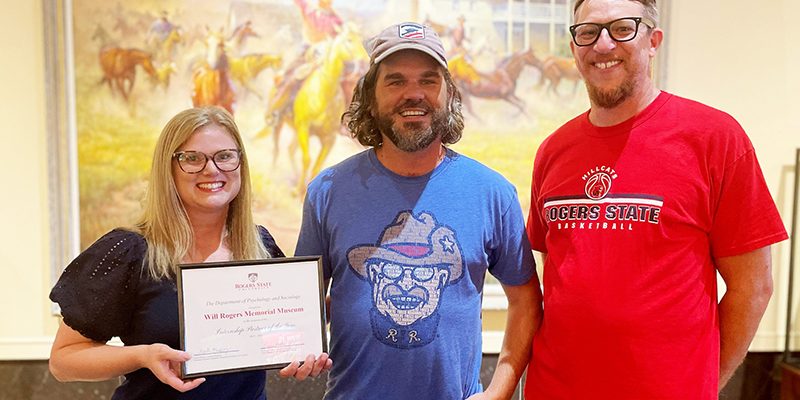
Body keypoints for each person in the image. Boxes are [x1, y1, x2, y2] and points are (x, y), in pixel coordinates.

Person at [524, 0, 789, 398]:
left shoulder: (714, 138)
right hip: (554, 389)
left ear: (653, 41)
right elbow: (558, 271)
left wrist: (701, 384)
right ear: (575, 47)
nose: (603, 44)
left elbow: (753, 288)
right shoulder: (553, 151)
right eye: (588, 32)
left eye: (622, 28)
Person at [294, 22, 543, 399]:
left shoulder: (492, 192)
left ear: (449, 94)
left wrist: (499, 391)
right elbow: (303, 299)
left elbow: (525, 299)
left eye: (428, 81)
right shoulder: (327, 191)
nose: (414, 94)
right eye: (395, 82)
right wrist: (290, 340)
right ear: (371, 98)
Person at [49, 106, 330, 399]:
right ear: (168, 168)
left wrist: (300, 354)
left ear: (240, 164)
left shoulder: (260, 246)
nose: (211, 169)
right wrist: (142, 356)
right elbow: (63, 361)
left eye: (224, 156)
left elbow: (286, 328)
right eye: (192, 159)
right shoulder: (129, 252)